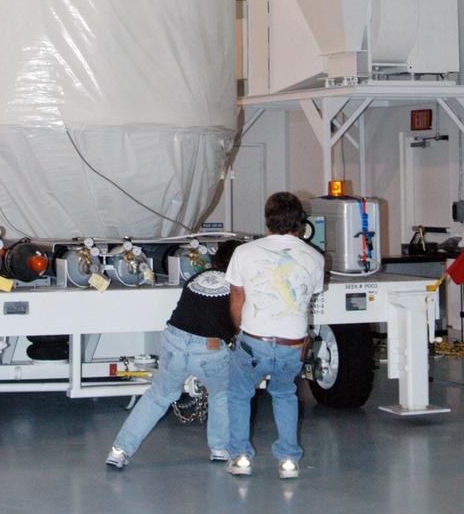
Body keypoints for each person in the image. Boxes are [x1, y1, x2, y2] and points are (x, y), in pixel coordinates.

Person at [105, 240, 240, 469]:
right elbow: (237, 321)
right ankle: (219, 448)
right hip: (209, 348)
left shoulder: (197, 278)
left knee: (158, 396)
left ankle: (119, 451)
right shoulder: (238, 285)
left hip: (174, 339)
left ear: (216, 259)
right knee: (222, 394)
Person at [225, 192, 325, 480]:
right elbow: (308, 300)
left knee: (239, 396)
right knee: (284, 395)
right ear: (300, 222)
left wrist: (238, 331)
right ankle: (289, 461)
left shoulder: (244, 253)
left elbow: (236, 299)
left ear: (267, 220)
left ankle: (241, 457)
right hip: (292, 343)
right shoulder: (315, 257)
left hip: (254, 340)